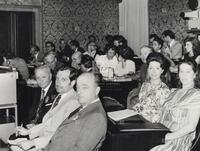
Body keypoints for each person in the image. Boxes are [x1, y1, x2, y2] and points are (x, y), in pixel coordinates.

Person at [10, 67, 80, 150]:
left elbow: (60, 134)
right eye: (57, 78)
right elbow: (48, 123)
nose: (58, 83)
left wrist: (33, 143)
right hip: (44, 140)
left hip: (53, 145)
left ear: (72, 83)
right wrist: (29, 132)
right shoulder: (60, 95)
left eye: (63, 80)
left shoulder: (74, 102)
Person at [44, 72, 107, 151]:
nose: (79, 92)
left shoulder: (97, 117)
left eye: (85, 87)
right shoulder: (84, 106)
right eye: (78, 88)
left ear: (97, 90)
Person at [150, 60, 200, 151]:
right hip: (162, 132)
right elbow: (162, 112)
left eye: (188, 71)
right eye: (181, 71)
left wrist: (168, 137)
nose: (184, 75)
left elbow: (191, 127)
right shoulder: (173, 91)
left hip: (178, 138)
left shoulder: (196, 94)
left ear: (195, 74)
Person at [132, 52, 170, 122]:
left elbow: (162, 115)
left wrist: (143, 115)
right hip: (141, 119)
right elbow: (142, 105)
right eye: (151, 68)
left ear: (162, 70)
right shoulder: (145, 85)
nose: (153, 72)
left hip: (153, 125)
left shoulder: (164, 90)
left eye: (157, 68)